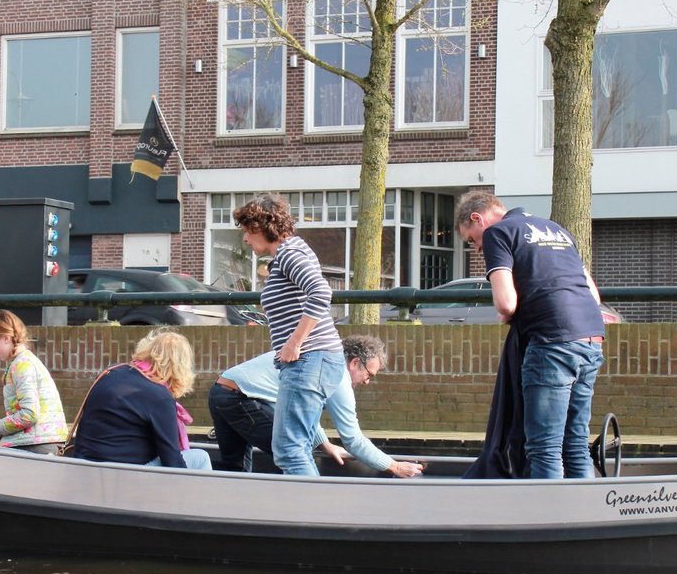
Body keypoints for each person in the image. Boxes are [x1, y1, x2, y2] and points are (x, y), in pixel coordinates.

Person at [455, 191, 606, 479]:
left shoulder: (498, 233)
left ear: (477, 218)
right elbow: (594, 295)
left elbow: (506, 303)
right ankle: (584, 515)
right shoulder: (557, 230)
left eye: (471, 239)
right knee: (575, 444)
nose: (476, 248)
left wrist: (506, 315)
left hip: (552, 341)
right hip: (591, 337)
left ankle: (547, 519)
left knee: (544, 447)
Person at [235, 193, 344, 477]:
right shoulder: (291, 252)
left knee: (289, 449)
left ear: (261, 227)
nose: (246, 239)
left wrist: (294, 343)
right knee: (294, 446)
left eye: (247, 231)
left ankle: (311, 516)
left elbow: (321, 293)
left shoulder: (289, 253)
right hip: (312, 360)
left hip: (309, 359)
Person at [209, 334, 424, 478]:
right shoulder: (336, 373)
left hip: (221, 390)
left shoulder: (318, 356)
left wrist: (324, 444)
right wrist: (395, 467)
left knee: (233, 469)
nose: (367, 382)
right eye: (369, 375)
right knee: (296, 452)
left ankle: (192, 470)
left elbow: (302, 410)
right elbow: (353, 439)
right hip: (241, 398)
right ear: (355, 362)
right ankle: (310, 508)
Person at [70, 328, 213, 470]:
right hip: (125, 474)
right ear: (180, 367)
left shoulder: (110, 373)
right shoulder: (159, 397)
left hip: (84, 466)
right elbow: (172, 460)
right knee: (200, 457)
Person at [0, 309, 69, 454]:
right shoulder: (23, 362)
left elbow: (29, 414)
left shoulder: (22, 366)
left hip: (36, 443)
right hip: (45, 439)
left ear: (6, 338)